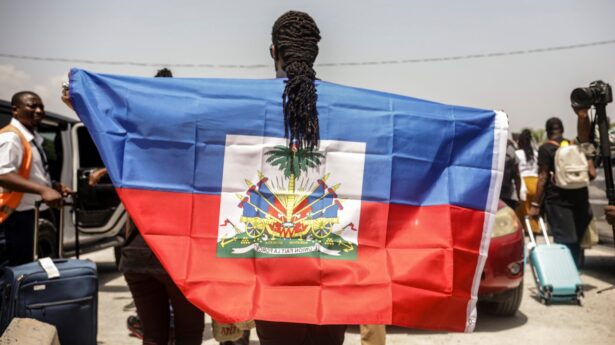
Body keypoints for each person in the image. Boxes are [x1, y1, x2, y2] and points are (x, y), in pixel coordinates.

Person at [253, 11, 349, 345]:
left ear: (273, 52)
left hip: (271, 279)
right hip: (333, 275)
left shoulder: (246, 106)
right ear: (315, 53)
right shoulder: (353, 108)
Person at [0, 91, 70, 266]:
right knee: (12, 274)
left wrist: (52, 186)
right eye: (32, 106)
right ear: (15, 110)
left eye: (41, 107)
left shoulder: (31, 139)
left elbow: (30, 173)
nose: (39, 110)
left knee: (26, 272)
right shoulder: (11, 137)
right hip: (12, 218)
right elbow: (3, 175)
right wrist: (43, 190)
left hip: (29, 214)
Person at [529, 116, 596, 266]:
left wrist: (535, 204)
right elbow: (591, 174)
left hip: (558, 201)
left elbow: (543, 177)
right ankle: (576, 273)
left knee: (564, 241)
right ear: (562, 130)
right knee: (576, 241)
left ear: (547, 132)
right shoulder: (575, 146)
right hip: (581, 199)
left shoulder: (545, 149)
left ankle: (566, 275)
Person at [515, 128, 540, 234]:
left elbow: (516, 170)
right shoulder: (536, 153)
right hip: (535, 182)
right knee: (532, 210)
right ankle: (533, 232)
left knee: (522, 210)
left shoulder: (517, 153)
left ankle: (522, 231)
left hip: (524, 183)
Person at [500, 138, 521, 210]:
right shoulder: (511, 150)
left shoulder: (488, 147)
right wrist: (518, 196)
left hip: (490, 196)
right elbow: (517, 175)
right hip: (508, 196)